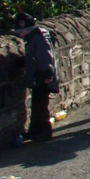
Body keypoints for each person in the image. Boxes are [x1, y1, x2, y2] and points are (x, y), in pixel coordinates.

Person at [14, 13, 60, 143]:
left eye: (21, 31)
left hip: (42, 77)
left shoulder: (38, 38)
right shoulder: (36, 37)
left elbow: (44, 58)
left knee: (40, 107)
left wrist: (46, 75)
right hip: (39, 76)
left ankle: (43, 134)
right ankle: (35, 132)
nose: (20, 35)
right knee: (37, 106)